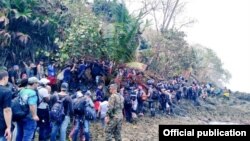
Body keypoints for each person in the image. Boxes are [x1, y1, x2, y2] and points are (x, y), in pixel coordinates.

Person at [16, 77, 40, 141]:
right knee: (28, 136)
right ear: (34, 83)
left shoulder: (22, 90)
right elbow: (32, 105)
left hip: (20, 115)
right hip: (29, 117)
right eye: (37, 83)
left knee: (19, 134)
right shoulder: (32, 93)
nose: (38, 85)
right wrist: (34, 115)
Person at [0, 70, 12, 141]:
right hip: (1, 124)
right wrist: (8, 127)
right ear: (5, 78)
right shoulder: (6, 91)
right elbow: (7, 110)